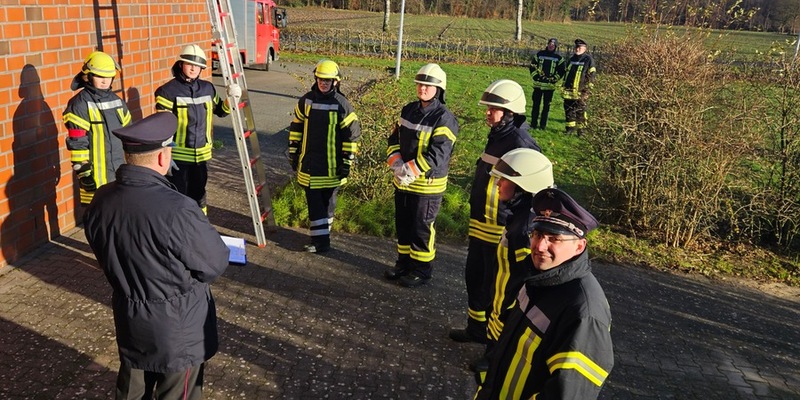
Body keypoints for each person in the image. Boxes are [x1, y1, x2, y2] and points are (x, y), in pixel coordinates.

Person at [83, 112, 230, 400]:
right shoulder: (178, 209)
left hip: (130, 317)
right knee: (178, 393)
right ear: (163, 157)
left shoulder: (101, 200)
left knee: (131, 390)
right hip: (178, 329)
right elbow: (214, 264)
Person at [474, 188, 614, 399]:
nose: (540, 246)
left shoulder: (584, 312)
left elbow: (569, 394)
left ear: (579, 246)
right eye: (537, 234)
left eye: (554, 239)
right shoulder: (537, 277)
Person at [449, 79, 540, 344]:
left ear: (510, 112)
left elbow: (529, 192)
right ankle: (476, 329)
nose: (488, 113)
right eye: (488, 107)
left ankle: (494, 345)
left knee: (497, 290)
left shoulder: (521, 143)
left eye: (494, 109)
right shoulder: (499, 136)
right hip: (481, 225)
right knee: (475, 279)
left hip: (501, 230)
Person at [472, 148, 553, 373]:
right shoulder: (520, 215)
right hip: (502, 294)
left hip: (510, 299)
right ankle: (492, 355)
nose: (497, 184)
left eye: (504, 180)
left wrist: (509, 303)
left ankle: (496, 362)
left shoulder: (525, 228)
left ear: (523, 187)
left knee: (503, 329)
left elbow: (525, 275)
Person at [383, 63, 459, 287]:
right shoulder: (408, 110)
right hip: (403, 182)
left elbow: (439, 153)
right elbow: (393, 139)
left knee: (421, 228)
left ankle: (422, 270)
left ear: (439, 89)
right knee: (403, 225)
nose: (422, 88)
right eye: (420, 84)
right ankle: (403, 264)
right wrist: (396, 163)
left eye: (428, 85)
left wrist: (410, 170)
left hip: (427, 185)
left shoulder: (444, 118)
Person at [154, 44, 239, 214]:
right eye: (189, 64)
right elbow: (162, 128)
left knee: (199, 195)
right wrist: (165, 155)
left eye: (197, 66)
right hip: (178, 158)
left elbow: (221, 111)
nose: (193, 68)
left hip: (201, 155)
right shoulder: (167, 92)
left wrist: (231, 99)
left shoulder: (208, 89)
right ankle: (179, 233)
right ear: (181, 65)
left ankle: (200, 227)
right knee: (178, 197)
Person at [288, 59, 361, 253]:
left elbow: (352, 136)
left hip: (332, 167)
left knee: (328, 204)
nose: (323, 83)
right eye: (320, 79)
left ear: (336, 82)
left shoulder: (342, 105)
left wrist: (347, 162)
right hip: (310, 165)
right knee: (315, 205)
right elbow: (296, 127)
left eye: (328, 80)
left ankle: (322, 236)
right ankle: (321, 242)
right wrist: (294, 152)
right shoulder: (306, 101)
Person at [63, 50, 132, 205]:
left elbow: (129, 135)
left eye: (108, 76)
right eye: (100, 76)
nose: (104, 81)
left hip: (119, 174)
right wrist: (83, 172)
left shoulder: (117, 102)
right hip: (95, 178)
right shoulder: (79, 105)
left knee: (119, 218)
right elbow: (78, 141)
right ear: (88, 76)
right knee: (98, 222)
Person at [560, 38, 596, 135]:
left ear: (585, 48)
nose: (577, 49)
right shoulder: (571, 59)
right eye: (576, 47)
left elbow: (592, 75)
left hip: (581, 92)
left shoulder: (588, 60)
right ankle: (569, 129)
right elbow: (566, 75)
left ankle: (582, 131)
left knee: (581, 112)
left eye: (579, 47)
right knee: (569, 111)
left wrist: (587, 90)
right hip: (569, 91)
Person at [529, 38, 564, 130]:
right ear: (547, 44)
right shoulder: (539, 54)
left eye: (553, 45)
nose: (551, 46)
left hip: (549, 87)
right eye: (549, 44)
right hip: (538, 85)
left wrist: (554, 79)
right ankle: (533, 124)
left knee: (546, 107)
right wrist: (535, 76)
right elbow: (532, 66)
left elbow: (561, 71)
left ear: (555, 46)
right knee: (535, 105)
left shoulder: (559, 58)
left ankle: (542, 126)